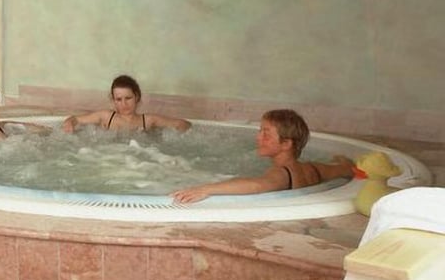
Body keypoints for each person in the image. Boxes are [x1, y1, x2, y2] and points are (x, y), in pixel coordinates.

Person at [171, 109, 353, 204]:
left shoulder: (282, 173)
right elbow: (345, 169)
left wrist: (205, 189)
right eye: (260, 131)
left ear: (286, 144)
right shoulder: (312, 168)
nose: (258, 138)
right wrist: (342, 161)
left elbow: (257, 185)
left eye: (266, 134)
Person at [61, 74, 191, 134]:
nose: (124, 104)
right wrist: (69, 124)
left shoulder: (148, 120)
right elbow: (74, 119)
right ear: (113, 100)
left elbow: (184, 124)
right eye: (119, 99)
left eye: (128, 98)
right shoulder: (106, 117)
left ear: (137, 97)